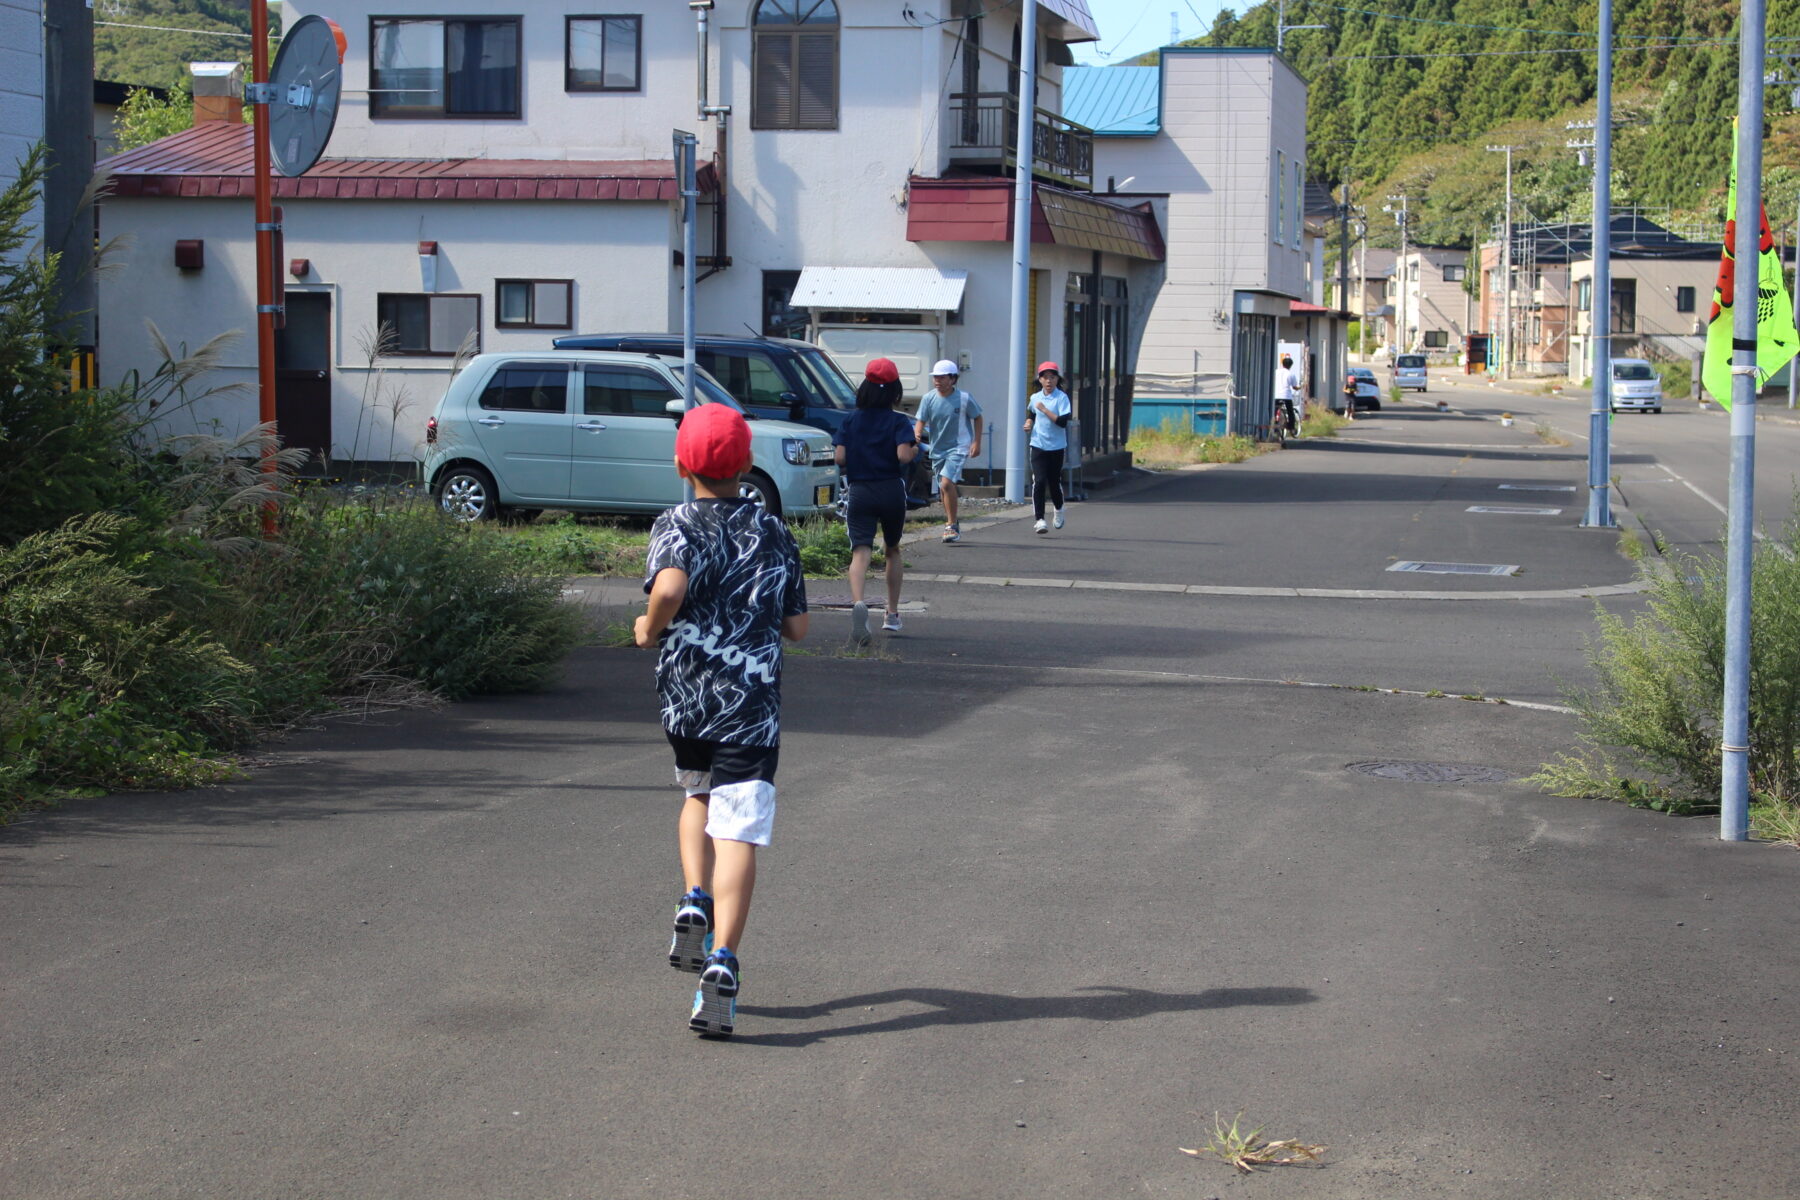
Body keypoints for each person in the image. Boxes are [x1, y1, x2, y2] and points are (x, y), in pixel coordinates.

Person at [635, 401, 810, 1038]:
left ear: (683, 461)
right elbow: (797, 625)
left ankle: (693, 896)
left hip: (686, 701)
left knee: (696, 795)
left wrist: (648, 628)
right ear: (747, 464)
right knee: (738, 828)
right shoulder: (773, 531)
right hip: (751, 706)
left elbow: (671, 588)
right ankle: (724, 959)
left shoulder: (674, 522)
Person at [833, 358, 919, 639]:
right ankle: (892, 614)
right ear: (895, 391)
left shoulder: (850, 420)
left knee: (861, 551)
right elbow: (903, 456)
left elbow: (840, 457)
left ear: (865, 388)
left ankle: (859, 603)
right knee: (892, 548)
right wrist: (915, 452)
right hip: (891, 489)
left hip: (860, 490)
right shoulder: (898, 421)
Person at [913, 359, 983, 542]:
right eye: (936, 377)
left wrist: (976, 442)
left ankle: (951, 525)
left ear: (952, 379)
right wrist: (917, 433)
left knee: (945, 484)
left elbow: (978, 417)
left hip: (958, 447)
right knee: (944, 489)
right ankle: (952, 522)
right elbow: (920, 420)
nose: (938, 381)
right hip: (937, 449)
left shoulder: (964, 398)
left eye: (942, 377)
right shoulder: (929, 398)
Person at [1022, 361, 1072, 535]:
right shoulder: (1035, 398)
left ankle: (1058, 509)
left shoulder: (1062, 398)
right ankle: (1040, 520)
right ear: (1040, 379)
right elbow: (1031, 414)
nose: (1049, 381)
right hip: (1038, 445)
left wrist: (1044, 410)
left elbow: (1063, 422)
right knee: (1039, 481)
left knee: (1053, 481)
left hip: (1057, 446)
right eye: (1045, 377)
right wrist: (1028, 423)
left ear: (1058, 379)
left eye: (1052, 377)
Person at [1277, 354, 1301, 437]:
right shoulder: (1291, 374)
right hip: (1286, 396)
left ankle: (1274, 422)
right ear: (1290, 365)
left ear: (1282, 364)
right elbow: (1295, 387)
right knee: (1290, 412)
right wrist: (1300, 387)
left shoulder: (1276, 371)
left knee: (1274, 409)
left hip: (1275, 395)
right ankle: (1291, 427)